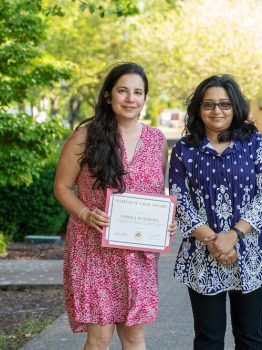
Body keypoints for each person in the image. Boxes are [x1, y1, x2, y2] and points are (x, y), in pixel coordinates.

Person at [54, 62, 175, 350]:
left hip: (138, 253)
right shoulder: (86, 136)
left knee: (134, 336)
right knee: (100, 337)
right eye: (123, 91)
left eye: (138, 92)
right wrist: (84, 213)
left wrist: (166, 221)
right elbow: (61, 187)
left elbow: (156, 193)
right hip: (93, 247)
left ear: (145, 98)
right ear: (108, 95)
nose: (131, 99)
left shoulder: (157, 140)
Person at [169, 74, 262, 350]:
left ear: (235, 107)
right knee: (208, 339)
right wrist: (215, 241)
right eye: (208, 104)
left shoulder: (255, 142)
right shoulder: (184, 150)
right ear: (198, 108)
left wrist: (233, 236)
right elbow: (179, 199)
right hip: (202, 253)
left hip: (250, 250)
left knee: (250, 337)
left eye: (224, 104)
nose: (217, 111)